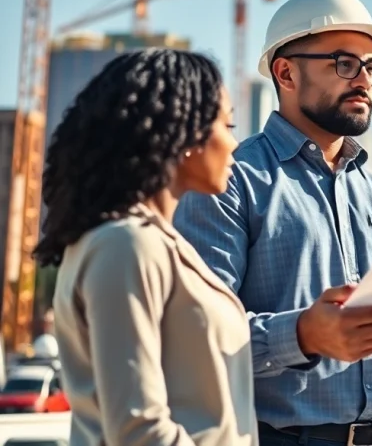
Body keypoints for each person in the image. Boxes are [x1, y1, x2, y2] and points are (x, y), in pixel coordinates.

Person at [173, 0, 372, 446]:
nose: (362, 80)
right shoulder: (229, 180)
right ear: (286, 73)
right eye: (344, 63)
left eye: (371, 67)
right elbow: (192, 337)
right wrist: (302, 335)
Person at [38, 48, 257, 445]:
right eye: (228, 124)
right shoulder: (126, 245)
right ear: (186, 133)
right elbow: (140, 430)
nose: (235, 144)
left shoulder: (153, 241)